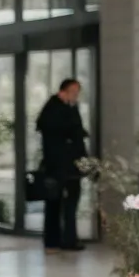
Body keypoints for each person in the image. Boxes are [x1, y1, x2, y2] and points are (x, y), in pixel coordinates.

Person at [36, 78, 88, 251]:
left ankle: (68, 239)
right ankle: (53, 241)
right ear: (63, 91)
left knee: (70, 203)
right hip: (57, 166)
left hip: (70, 166)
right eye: (74, 92)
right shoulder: (53, 110)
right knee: (54, 202)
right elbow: (62, 133)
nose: (76, 96)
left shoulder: (70, 109)